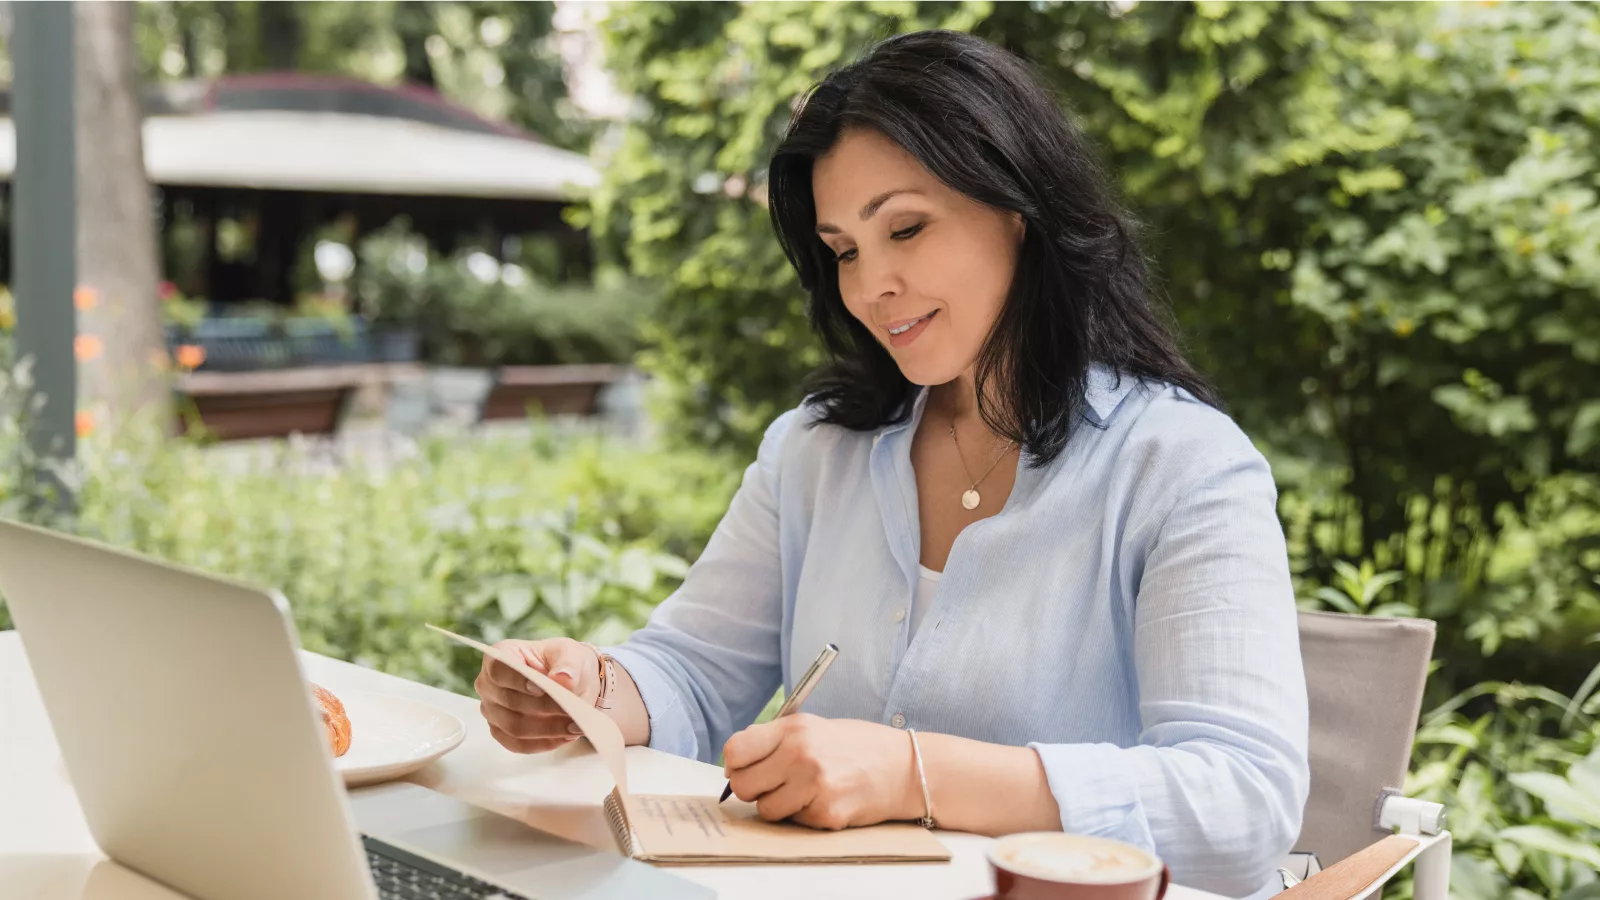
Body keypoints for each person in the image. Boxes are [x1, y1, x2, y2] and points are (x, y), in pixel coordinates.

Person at [473, 30, 1308, 899]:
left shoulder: (1181, 467)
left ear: (1018, 208)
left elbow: (1243, 806)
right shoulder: (814, 451)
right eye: (844, 250)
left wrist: (913, 773)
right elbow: (689, 671)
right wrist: (587, 689)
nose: (873, 285)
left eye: (904, 228)